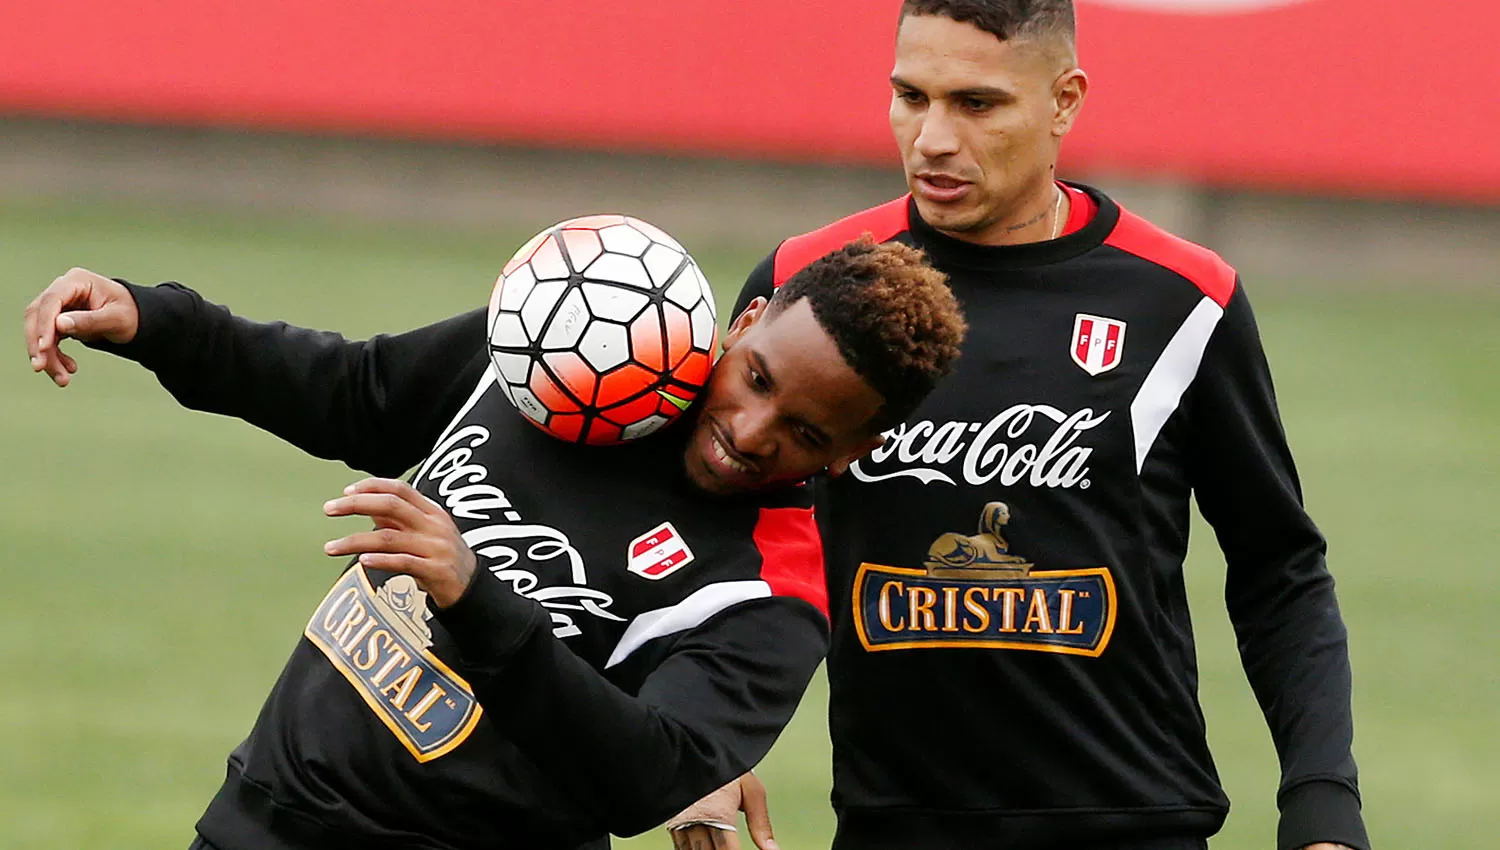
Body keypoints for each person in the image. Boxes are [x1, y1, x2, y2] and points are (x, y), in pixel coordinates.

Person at [668, 2, 1368, 850]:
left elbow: (1277, 566)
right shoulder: (806, 285)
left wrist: (1323, 801)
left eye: (976, 103)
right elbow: (707, 526)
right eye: (911, 96)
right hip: (893, 826)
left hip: (1134, 824)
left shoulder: (1182, 298)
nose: (931, 138)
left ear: (1063, 102)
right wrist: (698, 739)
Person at [20, 238, 967, 850]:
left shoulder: (773, 593)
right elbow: (357, 390)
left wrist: (477, 597)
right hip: (263, 816)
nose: (754, 432)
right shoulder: (573, 345)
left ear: (857, 450)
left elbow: (649, 772)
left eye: (806, 433)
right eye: (755, 378)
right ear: (746, 323)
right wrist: (159, 323)